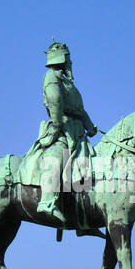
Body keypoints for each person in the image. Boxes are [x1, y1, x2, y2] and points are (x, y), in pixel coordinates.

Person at [33, 40, 98, 225]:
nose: (70, 61)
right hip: (61, 130)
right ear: (62, 58)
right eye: (68, 57)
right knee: (56, 158)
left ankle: (84, 218)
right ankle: (47, 201)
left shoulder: (67, 81)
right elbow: (54, 101)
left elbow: (79, 109)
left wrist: (90, 125)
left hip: (78, 133)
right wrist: (57, 123)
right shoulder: (51, 77)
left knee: (87, 169)